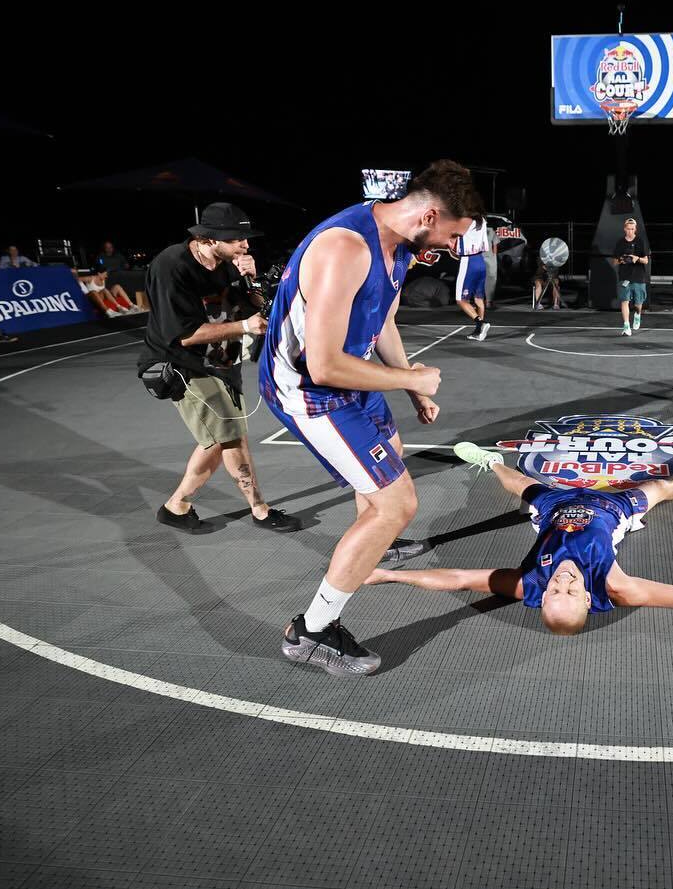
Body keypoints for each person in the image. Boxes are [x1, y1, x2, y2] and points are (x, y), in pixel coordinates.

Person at [263, 160, 483, 676]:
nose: (453, 248)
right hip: (311, 389)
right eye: (453, 234)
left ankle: (374, 548)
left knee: (394, 460)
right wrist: (411, 380)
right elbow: (324, 364)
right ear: (429, 213)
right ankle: (312, 632)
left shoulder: (402, 246)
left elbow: (381, 317)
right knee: (396, 505)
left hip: (352, 375)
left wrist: (406, 379)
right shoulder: (346, 248)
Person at [365, 440, 673, 634]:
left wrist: (387, 577)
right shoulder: (617, 587)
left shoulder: (527, 585)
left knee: (519, 484)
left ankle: (485, 462)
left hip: (556, 511)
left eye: (554, 590)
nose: (563, 582)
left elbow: (459, 578)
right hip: (613, 512)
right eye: (570, 591)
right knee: (668, 488)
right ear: (587, 600)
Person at [139, 202, 300, 536]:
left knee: (217, 441)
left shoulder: (229, 263)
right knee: (231, 439)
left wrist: (251, 280)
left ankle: (176, 506)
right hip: (183, 365)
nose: (245, 244)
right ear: (209, 239)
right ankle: (260, 509)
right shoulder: (172, 267)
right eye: (237, 238)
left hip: (222, 361)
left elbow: (252, 304)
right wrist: (244, 327)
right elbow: (183, 335)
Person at [453, 217, 491, 340]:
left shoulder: (464, 219)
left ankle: (481, 323)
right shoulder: (482, 219)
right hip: (480, 260)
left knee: (460, 299)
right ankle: (479, 332)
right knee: (479, 299)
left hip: (468, 260)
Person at [613, 218, 650, 336]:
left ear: (635, 229)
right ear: (625, 229)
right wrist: (621, 260)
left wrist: (637, 258)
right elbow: (614, 261)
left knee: (638, 303)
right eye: (628, 229)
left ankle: (637, 315)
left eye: (632, 229)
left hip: (639, 277)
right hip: (624, 277)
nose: (630, 231)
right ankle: (626, 326)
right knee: (625, 301)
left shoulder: (640, 241)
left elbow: (646, 261)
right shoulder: (620, 242)